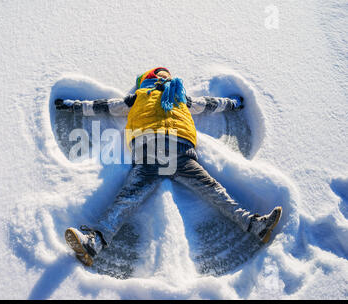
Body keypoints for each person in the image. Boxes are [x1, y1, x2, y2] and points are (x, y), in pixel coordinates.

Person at [55, 67, 282, 266]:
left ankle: (255, 225)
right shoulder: (138, 96)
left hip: (180, 151)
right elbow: (104, 106)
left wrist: (232, 104)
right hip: (149, 151)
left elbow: (208, 104)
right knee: (127, 199)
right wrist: (74, 106)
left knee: (214, 191)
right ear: (148, 78)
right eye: (158, 73)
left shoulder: (180, 95)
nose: (165, 75)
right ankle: (93, 243)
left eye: (166, 73)